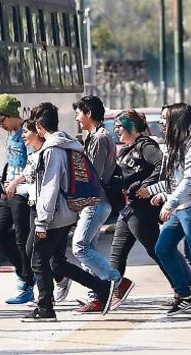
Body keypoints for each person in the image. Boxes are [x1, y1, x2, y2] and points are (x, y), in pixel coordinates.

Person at [24, 102, 108, 323]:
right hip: (67, 213)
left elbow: (49, 187)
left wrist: (42, 222)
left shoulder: (52, 149)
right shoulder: (68, 143)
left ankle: (45, 308)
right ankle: (102, 287)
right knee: (57, 263)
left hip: (54, 215)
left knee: (38, 261)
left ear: (40, 126)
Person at [145, 103, 191, 319]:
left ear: (177, 120)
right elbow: (172, 180)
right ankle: (185, 294)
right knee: (162, 248)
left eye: (164, 118)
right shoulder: (173, 145)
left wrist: (170, 203)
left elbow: (189, 180)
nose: (160, 123)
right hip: (180, 207)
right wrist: (162, 195)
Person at [71, 95, 127, 314]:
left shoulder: (99, 137)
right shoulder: (97, 136)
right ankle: (97, 296)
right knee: (88, 248)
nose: (77, 118)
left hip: (95, 200)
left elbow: (92, 174)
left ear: (89, 114)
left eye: (79, 113)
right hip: (94, 200)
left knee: (80, 247)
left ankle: (116, 281)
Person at [108, 109, 163, 308]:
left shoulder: (146, 146)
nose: (116, 132)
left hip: (142, 210)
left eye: (119, 127)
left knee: (157, 250)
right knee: (117, 252)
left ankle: (187, 288)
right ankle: (114, 291)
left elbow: (162, 164)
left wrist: (146, 186)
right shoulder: (127, 148)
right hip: (129, 208)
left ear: (131, 127)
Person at [0, 94, 36, 305]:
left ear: (12, 115)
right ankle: (26, 273)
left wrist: (16, 182)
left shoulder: (27, 134)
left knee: (22, 237)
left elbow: (33, 165)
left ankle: (26, 283)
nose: (1, 126)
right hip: (7, 192)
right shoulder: (11, 134)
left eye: (1, 121)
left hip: (22, 192)